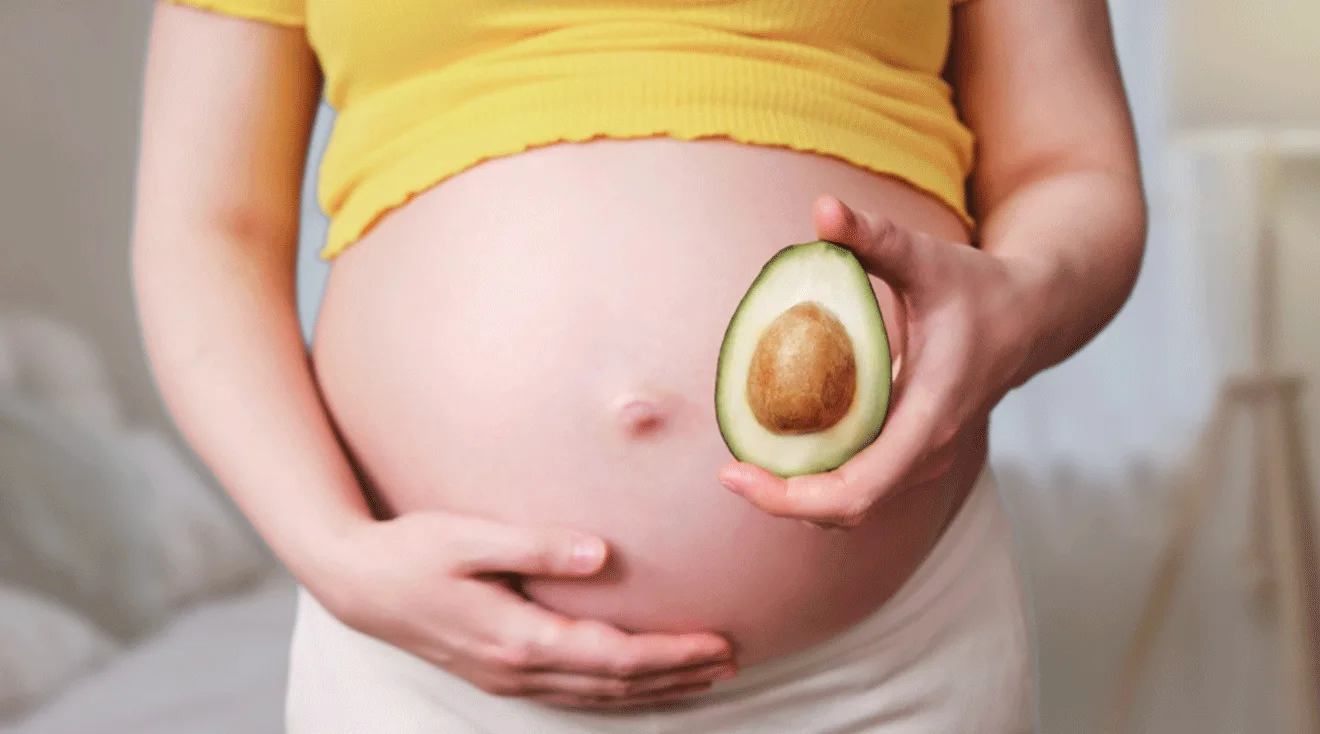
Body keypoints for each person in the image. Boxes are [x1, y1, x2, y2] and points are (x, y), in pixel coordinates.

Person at [131, 0, 1146, 731]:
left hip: (879, 670)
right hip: (428, 678)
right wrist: (334, 554)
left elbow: (1071, 168)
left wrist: (1019, 301)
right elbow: (206, 226)